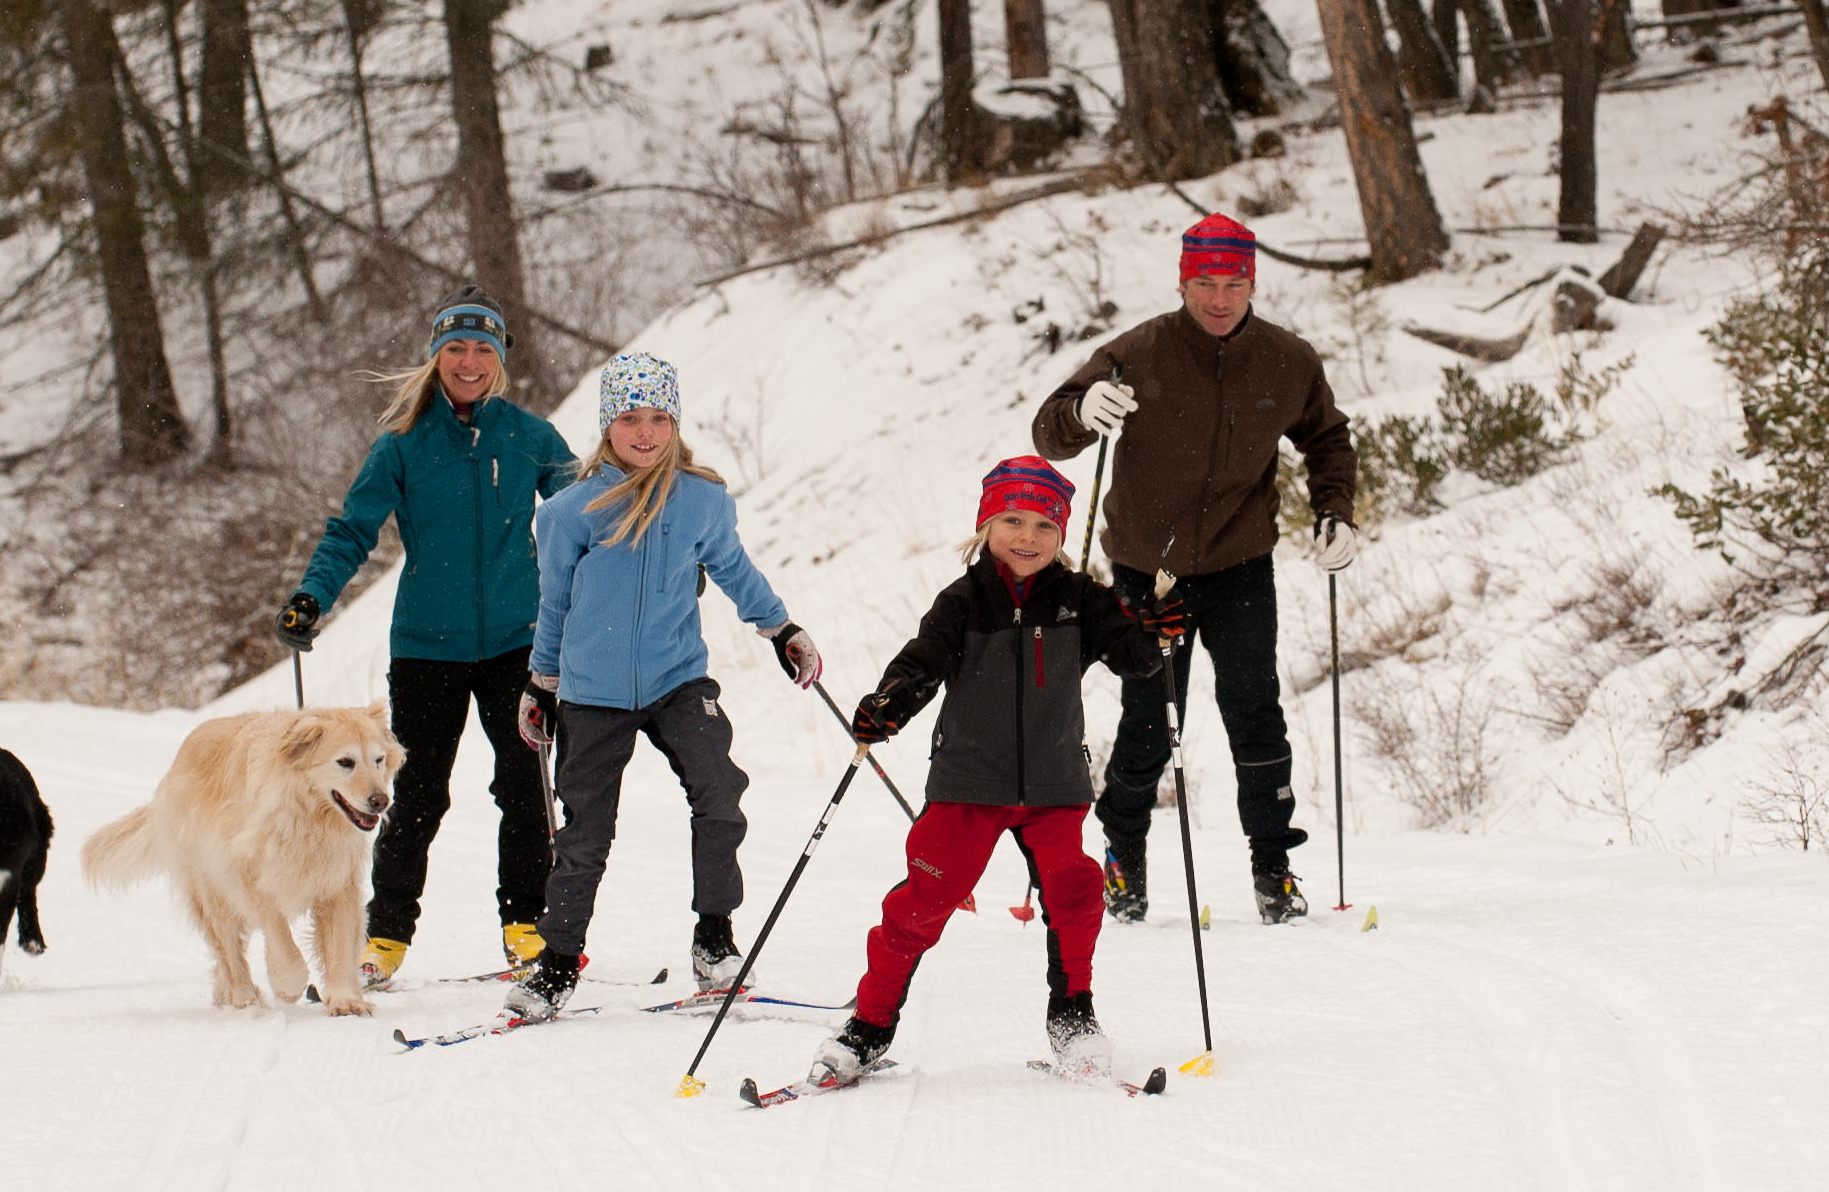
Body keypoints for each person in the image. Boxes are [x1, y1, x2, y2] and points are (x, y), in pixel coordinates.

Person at [808, 458, 1176, 1085]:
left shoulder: (1081, 599)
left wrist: (1160, 631)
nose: (1026, 537)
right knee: (919, 906)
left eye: (1042, 524)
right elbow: (922, 660)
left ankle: (1073, 1018)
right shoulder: (963, 600)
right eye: (1011, 520)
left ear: (1061, 534)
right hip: (969, 783)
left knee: (1075, 895)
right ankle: (869, 1026)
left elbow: (1133, 657)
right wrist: (887, 705)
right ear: (985, 525)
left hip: (1055, 783)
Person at [1034, 213, 1359, 924]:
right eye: (1205, 283)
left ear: (1253, 282)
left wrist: (1336, 510)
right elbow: (1050, 430)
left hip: (1243, 562)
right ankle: (1124, 851)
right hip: (1147, 569)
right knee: (1149, 721)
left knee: (1255, 713)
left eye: (1234, 283)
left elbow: (1328, 439)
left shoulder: (1286, 357)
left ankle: (1274, 869)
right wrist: (1084, 409)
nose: (1219, 298)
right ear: (1183, 281)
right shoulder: (1135, 352)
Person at [501, 353, 821, 1022]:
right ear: (606, 425)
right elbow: (553, 602)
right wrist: (541, 683)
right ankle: (556, 966)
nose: (644, 433)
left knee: (721, 795)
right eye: (629, 418)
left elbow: (734, 569)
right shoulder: (569, 512)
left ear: (673, 421)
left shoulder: (701, 498)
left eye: (658, 418)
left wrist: (782, 628)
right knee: (586, 832)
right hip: (593, 692)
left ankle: (714, 938)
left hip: (679, 680)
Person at [274, 287, 577, 985]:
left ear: (499, 359)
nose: (469, 361)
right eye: (456, 347)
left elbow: (586, 517)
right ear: (437, 355)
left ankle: (525, 925)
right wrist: (311, 595)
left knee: (525, 787)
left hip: (518, 646)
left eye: (483, 348)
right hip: (425, 650)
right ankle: (383, 939)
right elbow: (353, 528)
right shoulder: (403, 445)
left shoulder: (530, 437)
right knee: (412, 796)